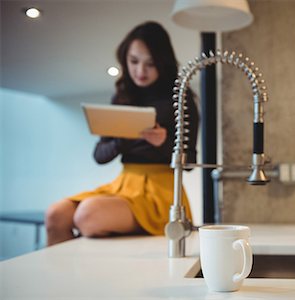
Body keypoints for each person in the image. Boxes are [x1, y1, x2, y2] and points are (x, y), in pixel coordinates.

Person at [45, 21, 199, 246]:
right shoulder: (122, 98)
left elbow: (190, 162)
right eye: (134, 61)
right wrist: (123, 140)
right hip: (124, 182)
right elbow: (100, 156)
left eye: (150, 63)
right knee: (55, 215)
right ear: (124, 59)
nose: (140, 71)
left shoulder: (180, 100)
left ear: (162, 63)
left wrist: (164, 143)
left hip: (161, 190)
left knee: (87, 215)